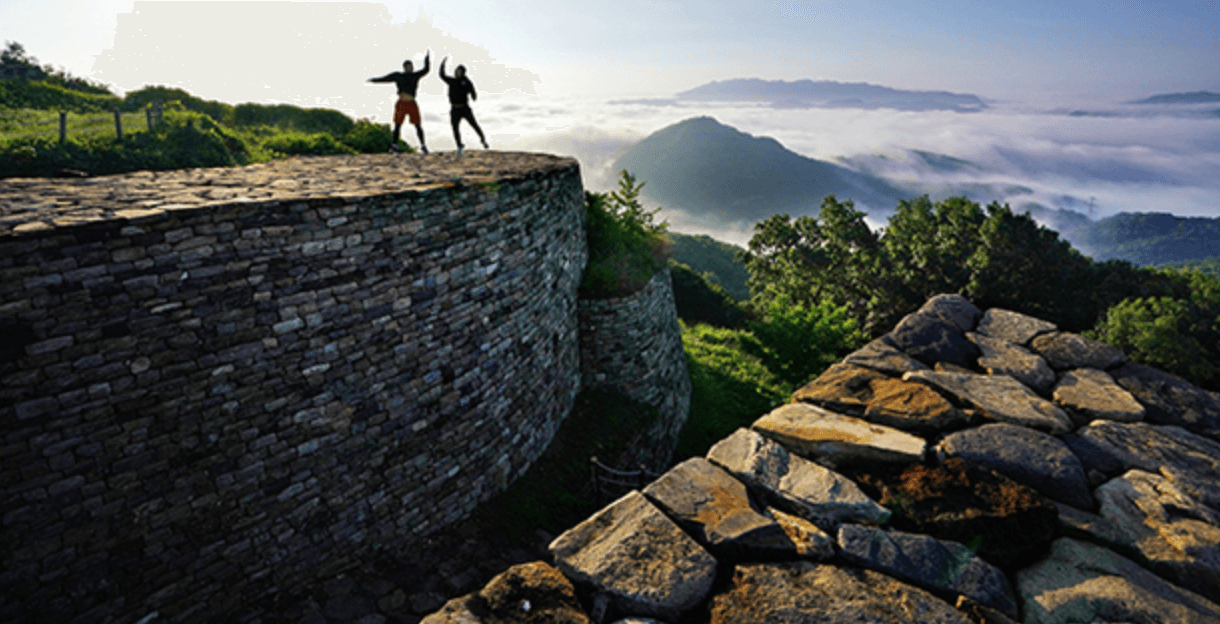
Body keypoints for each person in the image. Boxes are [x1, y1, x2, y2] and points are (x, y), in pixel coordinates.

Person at [368, 51, 431, 154]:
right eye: (408, 67)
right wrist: (374, 80)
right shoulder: (398, 76)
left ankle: (423, 146)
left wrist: (427, 59)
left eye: (411, 66)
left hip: (411, 103)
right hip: (401, 103)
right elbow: (386, 79)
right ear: (404, 67)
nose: (410, 68)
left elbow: (426, 70)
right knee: (397, 124)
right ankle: (394, 146)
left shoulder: (415, 75)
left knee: (417, 125)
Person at [439, 56, 488, 158]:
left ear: (463, 72)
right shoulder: (452, 81)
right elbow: (442, 75)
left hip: (464, 108)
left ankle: (483, 140)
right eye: (456, 71)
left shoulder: (466, 81)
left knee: (474, 124)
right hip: (454, 108)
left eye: (459, 71)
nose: (457, 72)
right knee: (455, 128)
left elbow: (472, 89)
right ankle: (460, 145)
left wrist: (473, 96)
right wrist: (442, 64)